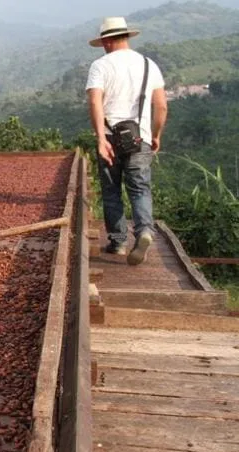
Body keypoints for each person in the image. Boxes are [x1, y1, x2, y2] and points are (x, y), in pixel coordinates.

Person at [86, 16, 168, 266]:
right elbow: (161, 106)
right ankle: (144, 231)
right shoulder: (148, 65)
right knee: (140, 188)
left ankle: (119, 243)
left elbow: (94, 102)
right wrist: (155, 135)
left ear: (107, 41)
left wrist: (101, 138)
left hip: (110, 138)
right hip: (139, 138)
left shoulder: (100, 66)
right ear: (126, 37)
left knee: (112, 191)